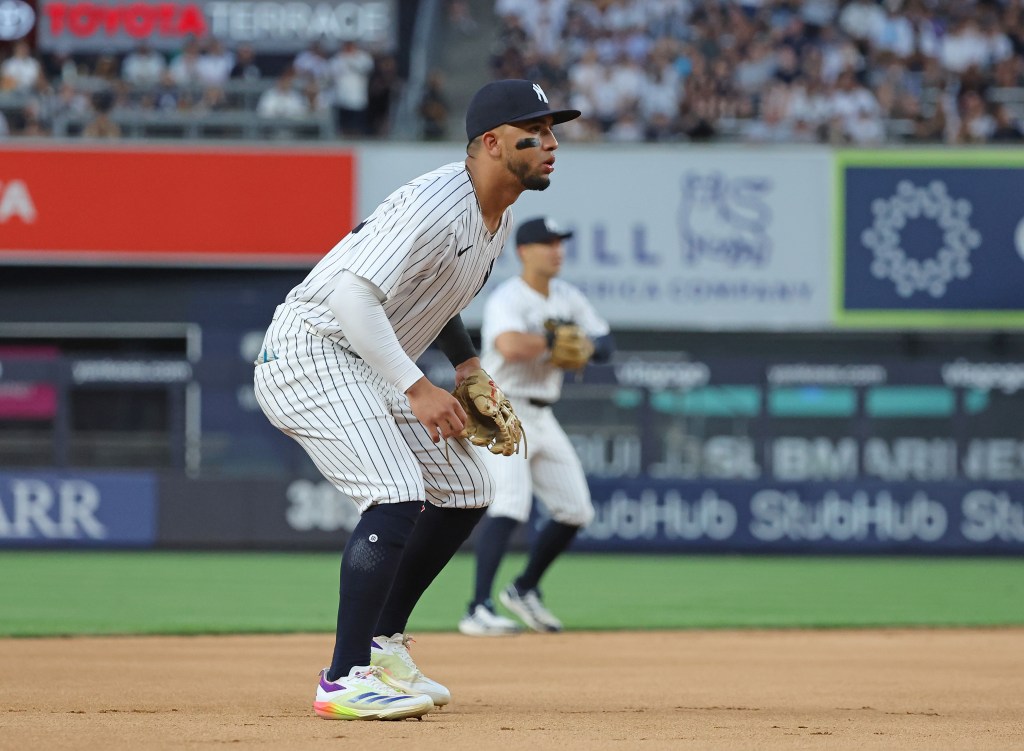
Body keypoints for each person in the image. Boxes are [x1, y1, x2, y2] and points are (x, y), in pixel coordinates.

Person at [252, 79, 580, 721]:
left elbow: (439, 297)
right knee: (397, 490)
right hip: (309, 351)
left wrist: (466, 365)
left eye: (552, 131)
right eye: (533, 132)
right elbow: (352, 298)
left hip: (359, 358)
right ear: (490, 142)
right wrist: (417, 386)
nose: (550, 143)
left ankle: (380, 647)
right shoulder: (438, 204)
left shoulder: (497, 212)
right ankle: (342, 680)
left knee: (465, 486)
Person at [457, 216, 613, 637]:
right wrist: (554, 342)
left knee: (576, 510)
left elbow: (605, 345)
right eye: (547, 242)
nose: (557, 249)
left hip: (543, 413)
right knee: (510, 502)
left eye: (560, 242)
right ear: (524, 251)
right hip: (500, 408)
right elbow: (509, 344)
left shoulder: (568, 296)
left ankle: (523, 589)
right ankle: (478, 608)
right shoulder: (509, 298)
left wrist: (585, 344)